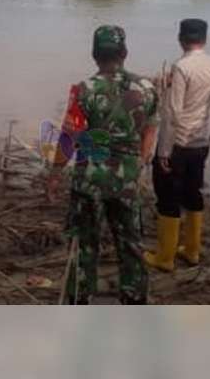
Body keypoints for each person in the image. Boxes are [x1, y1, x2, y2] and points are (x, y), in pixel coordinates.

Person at [47, 25, 159, 304]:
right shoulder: (146, 89)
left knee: (85, 245)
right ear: (124, 53)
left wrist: (55, 172)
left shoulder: (84, 90)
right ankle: (134, 301)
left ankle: (80, 300)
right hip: (127, 180)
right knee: (131, 246)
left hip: (90, 180)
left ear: (95, 55)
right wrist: (138, 166)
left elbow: (69, 135)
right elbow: (150, 133)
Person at [144, 19, 210, 271]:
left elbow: (172, 113)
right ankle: (192, 250)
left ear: (181, 38)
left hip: (178, 143)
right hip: (200, 140)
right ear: (205, 39)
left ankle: (165, 257)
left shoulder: (181, 67)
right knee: (192, 194)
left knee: (167, 196)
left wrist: (164, 151)